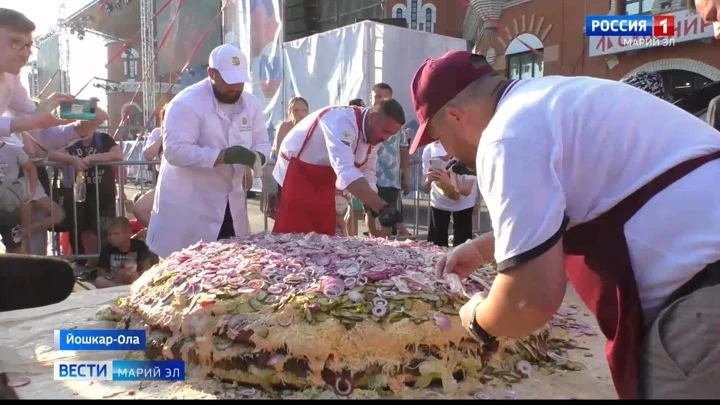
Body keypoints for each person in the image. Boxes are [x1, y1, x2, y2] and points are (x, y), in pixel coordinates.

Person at [409, 50, 720, 399]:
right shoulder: (559, 98)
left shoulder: (505, 137)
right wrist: (483, 248)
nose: (446, 153)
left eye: (438, 139)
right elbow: (580, 202)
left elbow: (530, 300)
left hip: (703, 309)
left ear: (455, 116)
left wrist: (479, 318)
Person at [147, 44, 271, 259]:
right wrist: (222, 156)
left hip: (232, 203)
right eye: (229, 82)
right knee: (186, 267)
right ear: (212, 74)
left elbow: (262, 142)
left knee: (230, 267)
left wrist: (258, 157)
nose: (235, 88)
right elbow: (175, 151)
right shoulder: (186, 103)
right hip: (190, 203)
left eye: (239, 82)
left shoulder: (250, 104)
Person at [272, 99, 406, 235]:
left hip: (323, 177)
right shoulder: (341, 122)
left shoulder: (375, 135)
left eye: (391, 135)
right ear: (372, 117)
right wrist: (381, 206)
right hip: (296, 171)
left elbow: (368, 171)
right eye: (385, 131)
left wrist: (373, 204)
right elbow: (345, 171)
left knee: (322, 234)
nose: (386, 138)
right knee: (293, 234)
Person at [0, 8, 104, 149]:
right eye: (16, 42)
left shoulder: (11, 78)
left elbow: (42, 135)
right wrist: (26, 121)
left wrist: (79, 128)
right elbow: (30, 121)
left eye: (29, 45)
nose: (26, 53)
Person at [367, 83, 411, 238]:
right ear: (370, 97)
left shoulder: (396, 123)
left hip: (390, 178)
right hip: (369, 176)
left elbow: (404, 149)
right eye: (377, 96)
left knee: (388, 215)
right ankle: (373, 243)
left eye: (384, 97)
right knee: (371, 212)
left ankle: (384, 245)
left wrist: (406, 176)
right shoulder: (365, 119)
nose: (380, 100)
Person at [421, 141, 476, 247]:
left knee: (462, 245)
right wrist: (428, 181)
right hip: (439, 202)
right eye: (439, 156)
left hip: (463, 204)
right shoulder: (428, 151)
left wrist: (449, 182)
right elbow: (425, 189)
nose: (444, 159)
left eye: (447, 155)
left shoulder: (466, 153)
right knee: (436, 245)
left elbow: (467, 191)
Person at [132, 105, 167, 228]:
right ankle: (160, 237)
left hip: (188, 182)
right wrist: (164, 137)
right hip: (164, 181)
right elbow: (148, 155)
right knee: (140, 208)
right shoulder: (158, 132)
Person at [93, 217, 152, 289]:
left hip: (135, 279)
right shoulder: (107, 249)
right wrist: (115, 274)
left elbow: (147, 268)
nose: (112, 237)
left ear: (128, 233)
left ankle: (126, 288)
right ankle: (122, 288)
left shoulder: (139, 246)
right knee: (99, 281)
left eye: (116, 234)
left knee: (145, 278)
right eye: (109, 234)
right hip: (116, 281)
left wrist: (136, 275)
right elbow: (100, 273)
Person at [0, 138, 37, 253]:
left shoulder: (13, 149)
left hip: (10, 207)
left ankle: (17, 271)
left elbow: (31, 168)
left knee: (15, 246)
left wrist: (32, 192)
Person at [270, 96, 309, 202]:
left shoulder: (311, 127)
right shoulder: (284, 127)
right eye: (296, 110)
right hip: (286, 173)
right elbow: (279, 152)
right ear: (290, 112)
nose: (300, 114)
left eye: (304, 110)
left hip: (306, 174)